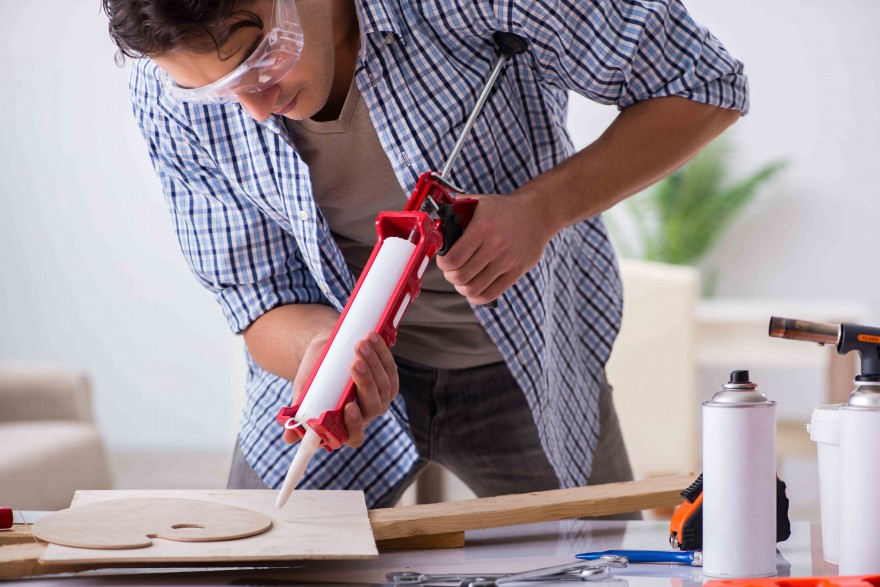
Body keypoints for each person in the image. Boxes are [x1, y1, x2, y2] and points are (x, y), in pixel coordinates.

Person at [102, 0, 748, 508]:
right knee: (259, 559)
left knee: (595, 563)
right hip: (339, 389)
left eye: (260, 57)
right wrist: (319, 349)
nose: (256, 109)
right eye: (218, 92)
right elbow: (256, 294)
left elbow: (705, 83)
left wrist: (541, 209)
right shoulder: (165, 97)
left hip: (529, 361)